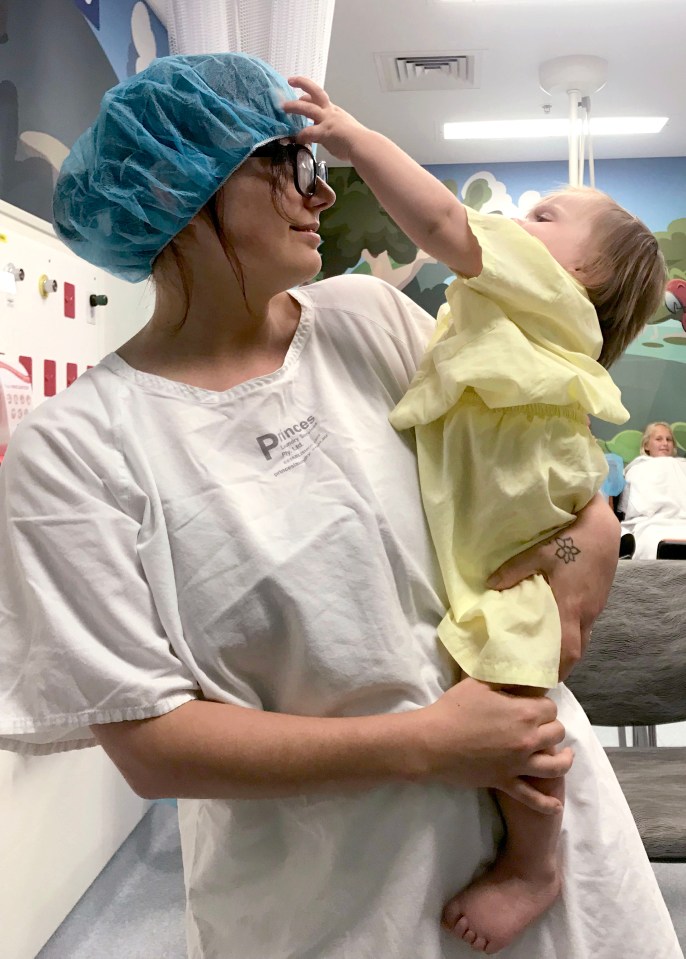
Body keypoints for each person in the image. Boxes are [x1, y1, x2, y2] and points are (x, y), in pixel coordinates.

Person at [0, 53, 681, 959]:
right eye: (293, 163)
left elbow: (531, 453)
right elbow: (152, 742)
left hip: (555, 843)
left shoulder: (370, 318)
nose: (322, 197)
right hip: (330, 902)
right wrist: (429, 743)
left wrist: (588, 534)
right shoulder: (76, 449)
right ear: (177, 179)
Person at [282, 78, 669, 952]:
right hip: (509, 534)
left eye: (547, 217)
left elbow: (442, 223)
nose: (522, 219)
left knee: (514, 713)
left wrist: (356, 135)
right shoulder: (509, 310)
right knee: (503, 694)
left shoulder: (538, 288)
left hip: (523, 547)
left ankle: (535, 862)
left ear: (579, 274)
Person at [618, 422, 686, 558]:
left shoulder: (683, 466)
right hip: (650, 523)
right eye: (659, 439)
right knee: (653, 541)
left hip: (682, 521)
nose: (665, 443)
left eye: (669, 439)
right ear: (646, 445)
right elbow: (627, 507)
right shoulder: (637, 469)